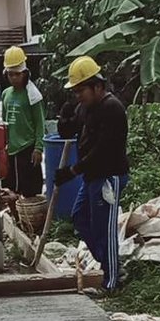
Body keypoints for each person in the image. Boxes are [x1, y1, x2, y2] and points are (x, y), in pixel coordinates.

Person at [54, 55, 129, 290]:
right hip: (91, 176)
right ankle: (110, 263)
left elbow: (102, 150)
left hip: (108, 175)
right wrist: (64, 119)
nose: (78, 96)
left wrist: (73, 170)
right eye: (75, 92)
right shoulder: (85, 108)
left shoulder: (112, 109)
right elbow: (71, 130)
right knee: (79, 217)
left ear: (97, 86)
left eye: (81, 91)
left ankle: (111, 281)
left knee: (104, 228)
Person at [0, 46, 45, 198]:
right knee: (9, 190)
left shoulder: (32, 95)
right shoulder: (6, 94)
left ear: (24, 73)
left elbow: (40, 123)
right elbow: (4, 121)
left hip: (27, 149)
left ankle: (28, 220)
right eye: (10, 74)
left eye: (17, 74)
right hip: (10, 150)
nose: (13, 78)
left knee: (29, 191)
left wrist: (38, 148)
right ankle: (14, 219)